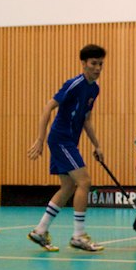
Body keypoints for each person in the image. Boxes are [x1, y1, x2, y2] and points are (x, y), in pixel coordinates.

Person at [26, 44, 106, 252]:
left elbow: (86, 119)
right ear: (83, 64)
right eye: (93, 64)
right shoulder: (74, 84)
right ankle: (79, 235)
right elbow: (48, 107)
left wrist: (97, 145)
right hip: (61, 139)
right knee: (85, 181)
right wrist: (40, 139)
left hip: (70, 141)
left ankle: (40, 230)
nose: (97, 68)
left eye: (101, 64)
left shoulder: (94, 89)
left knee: (69, 186)